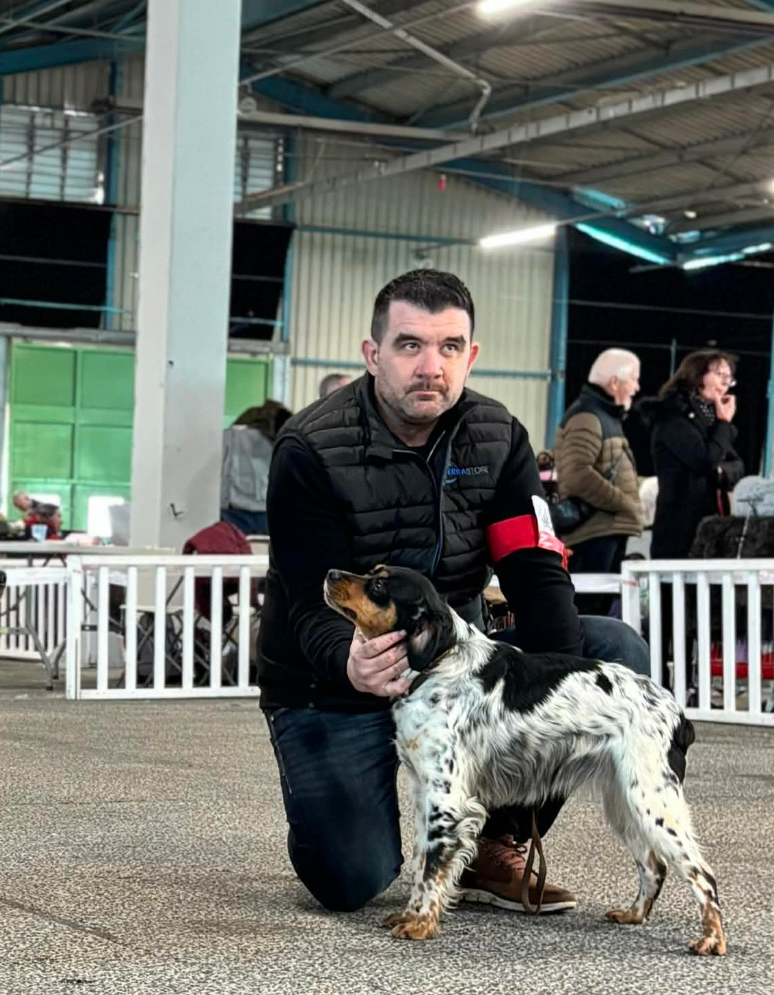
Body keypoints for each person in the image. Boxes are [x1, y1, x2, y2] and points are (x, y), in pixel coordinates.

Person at [257, 269, 650, 915]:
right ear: (372, 353)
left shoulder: (498, 438)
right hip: (331, 675)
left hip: (451, 665)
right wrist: (348, 661)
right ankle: (363, 805)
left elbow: (534, 568)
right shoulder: (309, 447)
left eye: (448, 347)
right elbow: (307, 595)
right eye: (409, 345)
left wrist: (556, 679)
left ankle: (493, 837)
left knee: (611, 652)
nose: (429, 366)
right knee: (351, 878)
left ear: (471, 356)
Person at [553, 348, 644, 615]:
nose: (637, 388)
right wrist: (624, 504)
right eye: (634, 379)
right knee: (589, 612)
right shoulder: (588, 417)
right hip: (595, 535)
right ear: (614, 382)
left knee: (597, 611)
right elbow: (577, 476)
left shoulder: (600, 415)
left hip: (604, 531)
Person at [645, 349, 743, 559]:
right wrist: (724, 424)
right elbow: (703, 459)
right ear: (696, 375)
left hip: (714, 523)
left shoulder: (712, 422)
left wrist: (721, 471)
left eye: (729, 378)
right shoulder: (673, 415)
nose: (725, 383)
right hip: (680, 528)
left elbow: (737, 464)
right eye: (719, 374)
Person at [220, 400, 292, 536]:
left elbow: (223, 476)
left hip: (235, 514)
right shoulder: (287, 440)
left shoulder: (231, 437)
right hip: (274, 515)